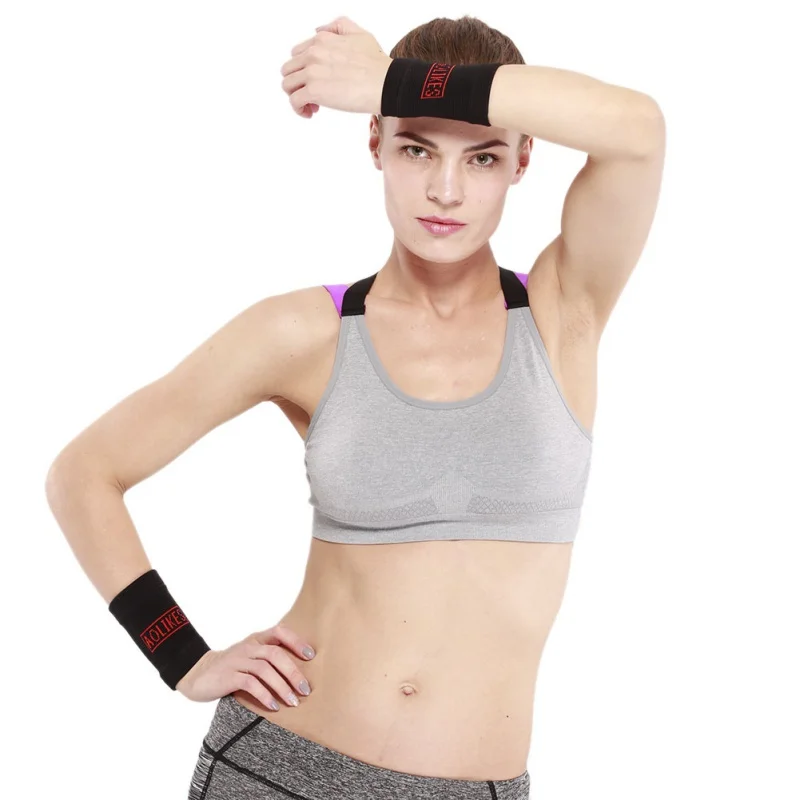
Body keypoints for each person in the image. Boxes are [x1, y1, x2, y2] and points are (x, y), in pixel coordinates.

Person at [44, 13, 665, 800]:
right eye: (416, 148)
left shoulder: (561, 313)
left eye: (482, 157)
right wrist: (180, 655)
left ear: (523, 160)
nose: (446, 190)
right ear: (375, 142)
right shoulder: (305, 333)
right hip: (280, 768)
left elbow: (638, 130)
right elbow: (84, 474)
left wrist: (393, 82)